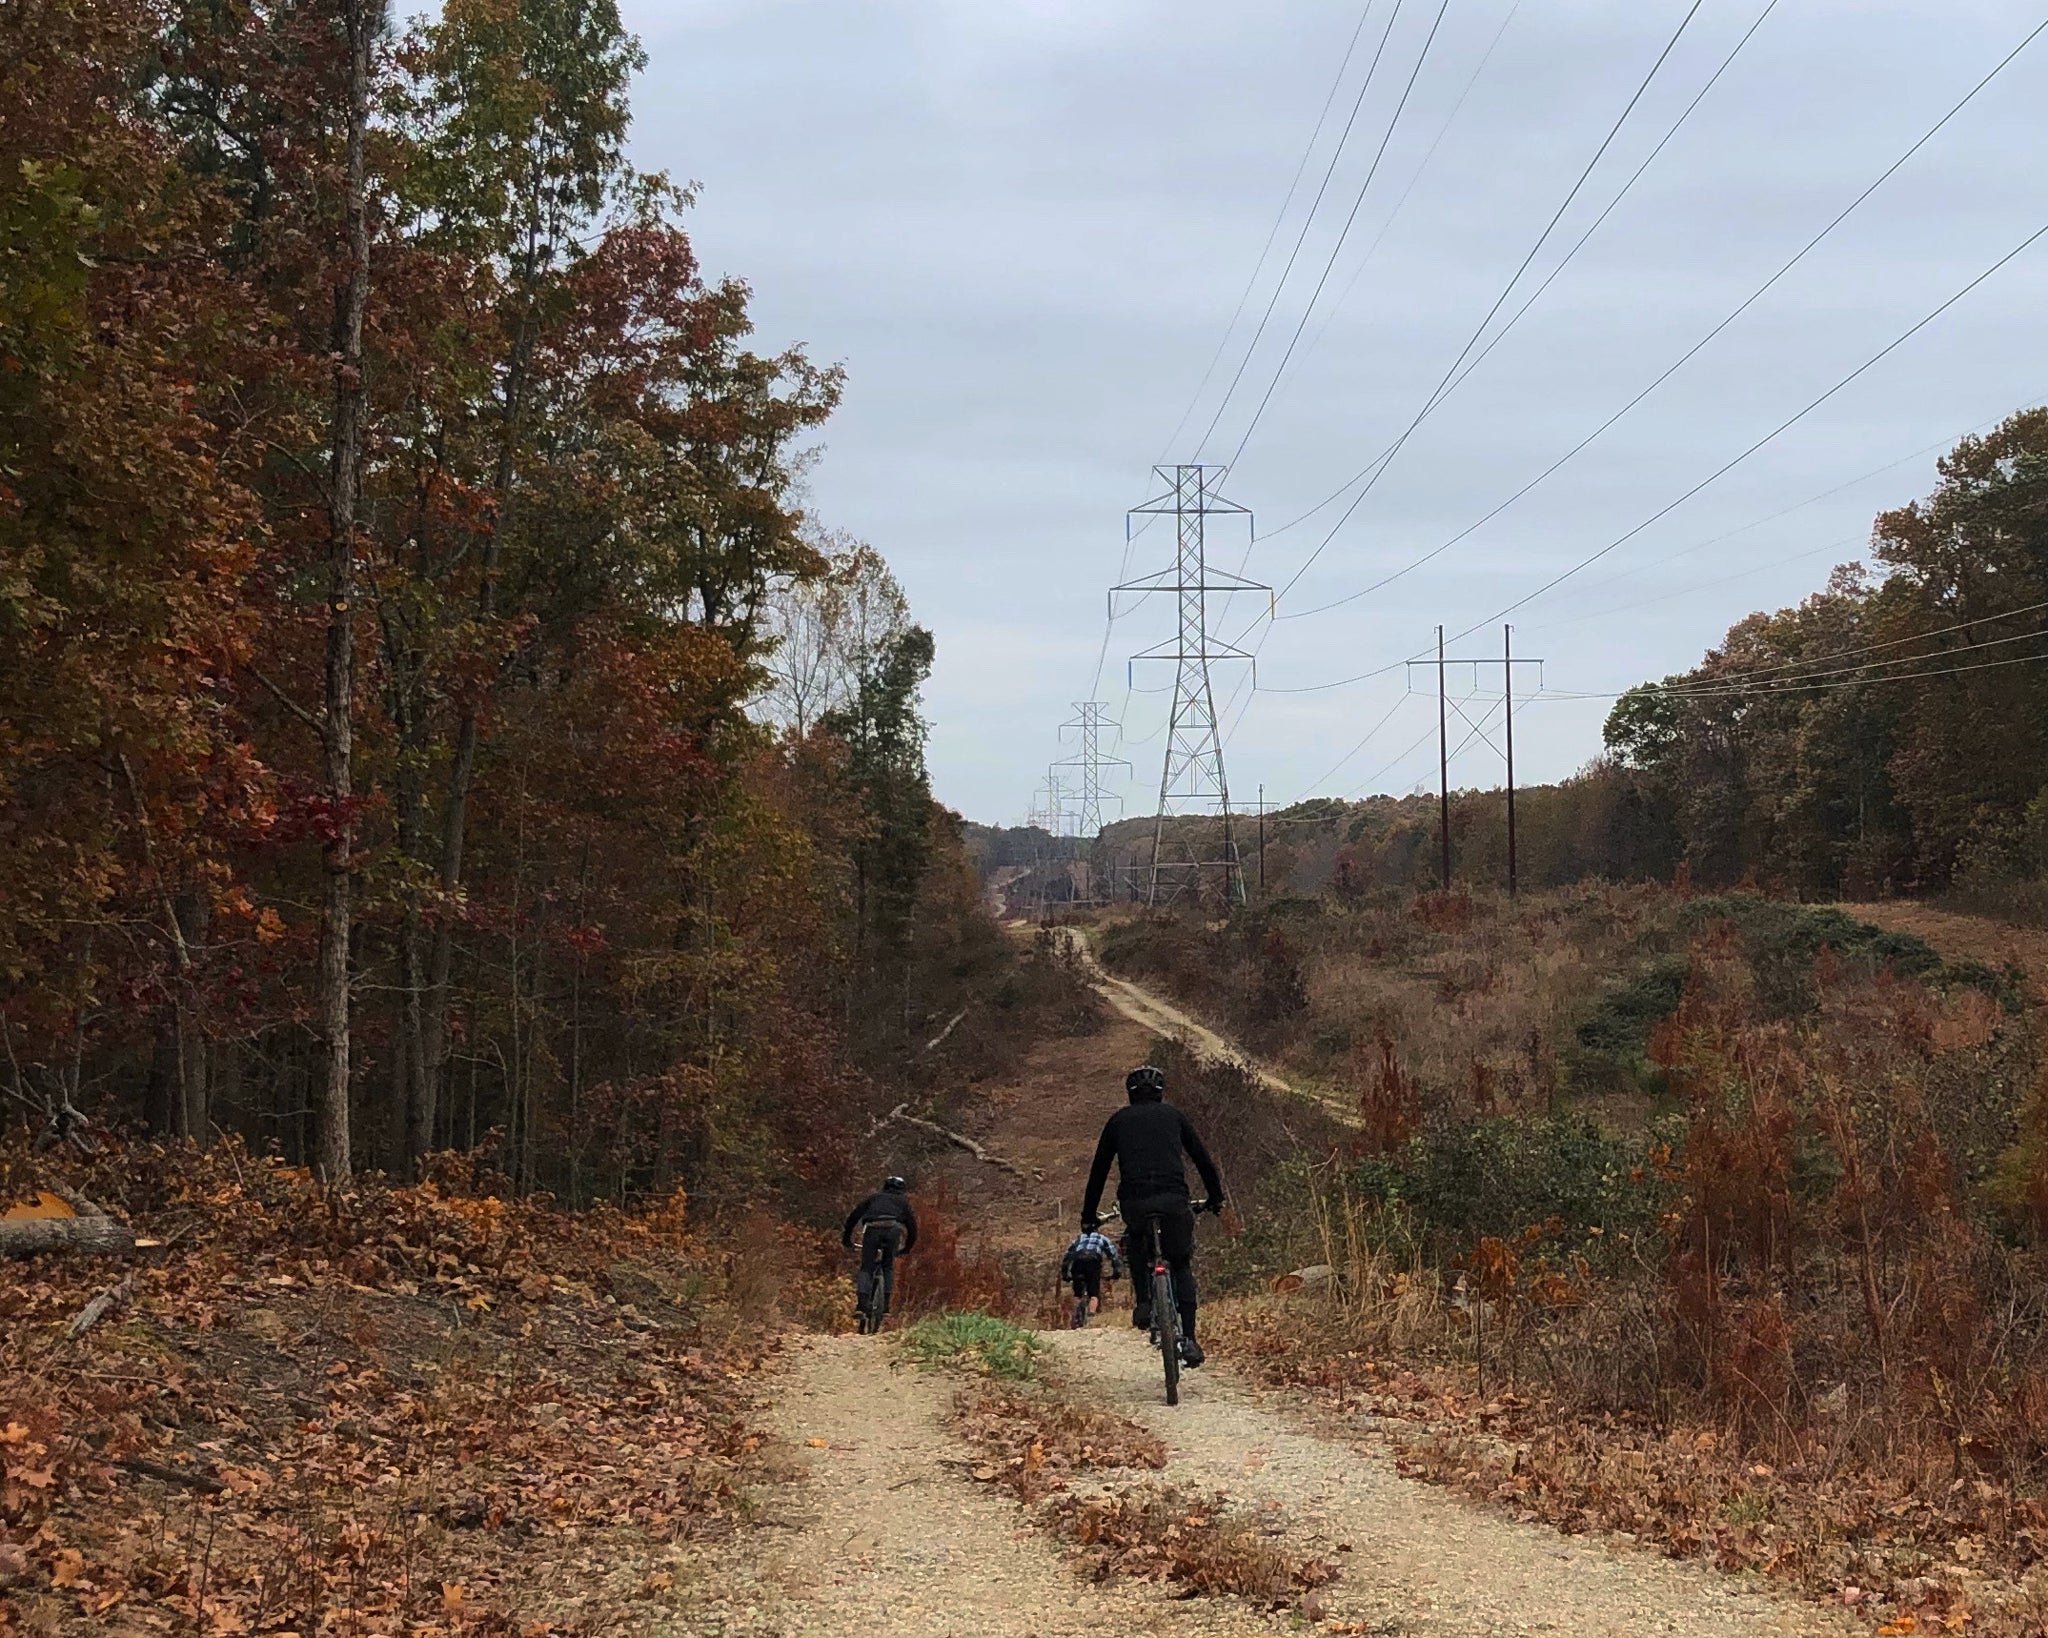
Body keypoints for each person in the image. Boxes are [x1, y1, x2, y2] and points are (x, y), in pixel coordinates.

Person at [1079, 1065, 1225, 1367]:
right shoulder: (1174, 1117)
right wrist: (1215, 1197)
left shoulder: (1117, 1122)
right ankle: (1191, 1338)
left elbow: (1098, 1171)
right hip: (1175, 1202)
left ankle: (1145, 1303)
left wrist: (1089, 1217)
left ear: (1129, 1094)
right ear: (1161, 1092)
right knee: (1181, 1263)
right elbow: (1203, 1159)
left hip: (1136, 1204)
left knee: (1136, 1241)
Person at [841, 1175, 918, 1329]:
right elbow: (912, 1228)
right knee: (888, 1266)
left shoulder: (874, 1198)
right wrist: (907, 1248)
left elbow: (854, 1216)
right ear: (902, 1190)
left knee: (867, 1268)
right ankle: (885, 1308)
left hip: (872, 1229)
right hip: (893, 1230)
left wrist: (846, 1238)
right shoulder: (902, 1202)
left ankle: (862, 1306)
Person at [1059, 1223, 1124, 1326]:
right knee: (1094, 1293)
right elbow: (1113, 1255)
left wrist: (1065, 1273)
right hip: (1093, 1263)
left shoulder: (1079, 1239)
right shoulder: (1102, 1238)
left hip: (1078, 1262)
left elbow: (1067, 1256)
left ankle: (1076, 1316)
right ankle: (1091, 1315)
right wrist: (1116, 1272)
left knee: (1078, 1294)